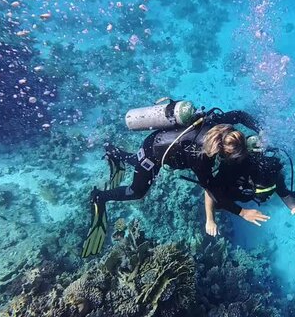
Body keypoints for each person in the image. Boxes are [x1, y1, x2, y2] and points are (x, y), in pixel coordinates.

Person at [82, 108, 261, 257]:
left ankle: (112, 151)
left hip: (157, 138)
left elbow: (241, 115)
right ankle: (99, 197)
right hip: (152, 155)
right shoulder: (201, 158)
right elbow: (213, 192)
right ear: (222, 151)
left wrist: (260, 130)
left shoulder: (219, 124)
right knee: (136, 192)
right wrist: (242, 212)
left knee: (137, 160)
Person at [203, 138, 295, 237]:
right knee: (218, 203)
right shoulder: (235, 173)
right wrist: (210, 220)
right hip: (234, 191)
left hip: (246, 190)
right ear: (251, 181)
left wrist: (294, 207)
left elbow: (284, 193)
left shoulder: (273, 174)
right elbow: (210, 190)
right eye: (263, 187)